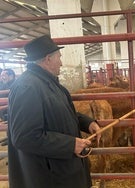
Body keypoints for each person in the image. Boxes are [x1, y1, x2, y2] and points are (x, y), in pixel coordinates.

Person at [7, 35, 101, 188]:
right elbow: (24, 136)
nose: (62, 63)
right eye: (59, 57)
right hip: (47, 177)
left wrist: (87, 122)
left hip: (59, 170)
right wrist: (70, 145)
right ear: (48, 59)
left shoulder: (46, 82)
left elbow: (59, 112)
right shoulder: (27, 87)